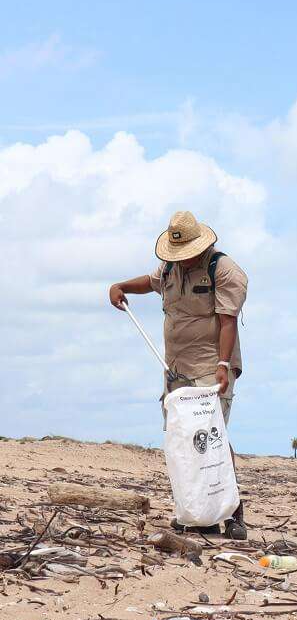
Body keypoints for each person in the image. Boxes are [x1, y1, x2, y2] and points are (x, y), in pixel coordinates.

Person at [108, 210, 250, 540]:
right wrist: (120, 286)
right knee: (184, 439)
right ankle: (196, 512)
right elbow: (151, 282)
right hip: (175, 368)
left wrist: (223, 366)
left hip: (211, 366)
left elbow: (227, 321)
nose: (182, 260)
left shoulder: (225, 271)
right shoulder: (170, 267)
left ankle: (233, 514)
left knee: (212, 437)